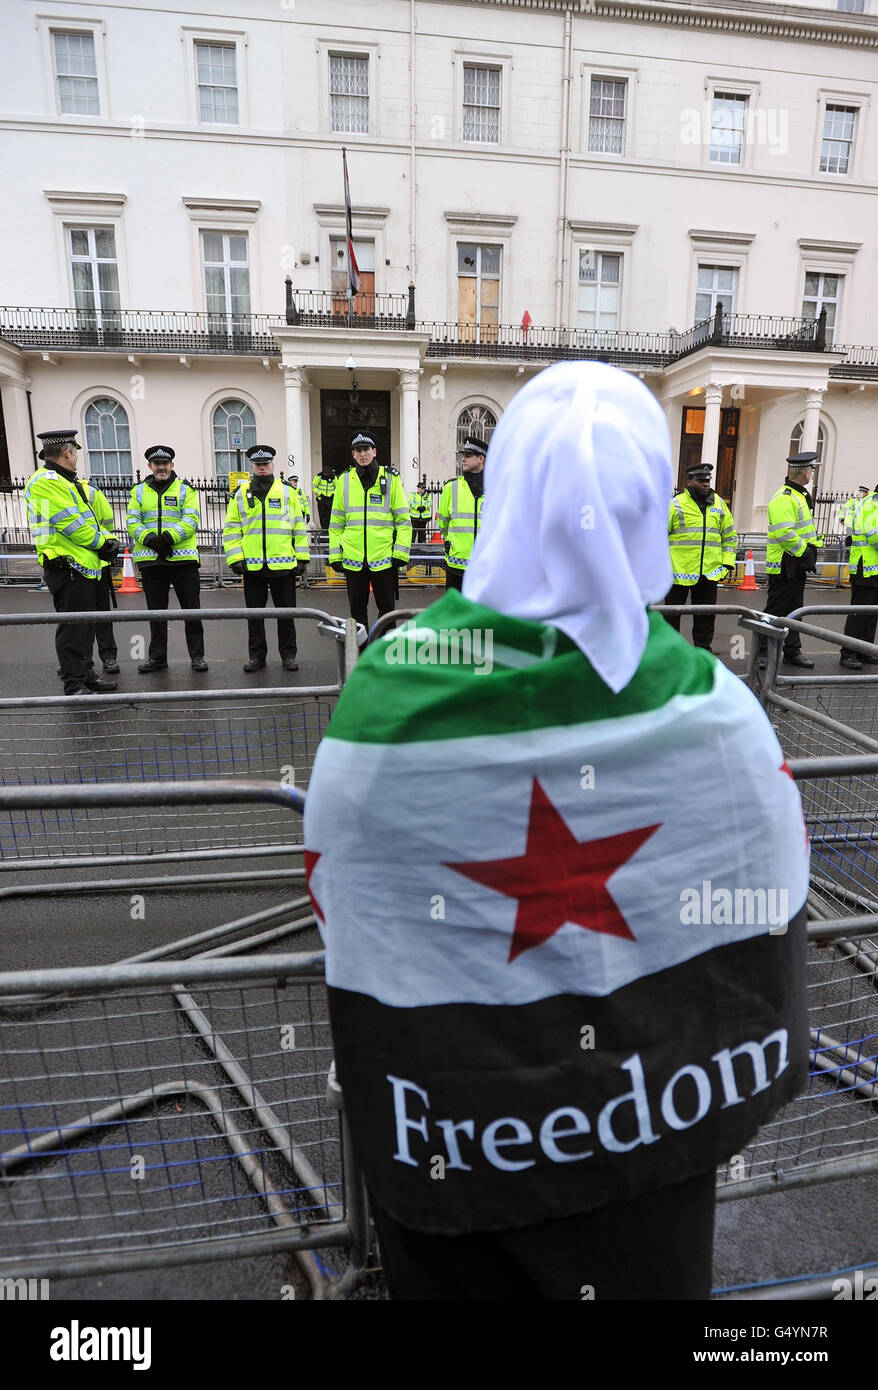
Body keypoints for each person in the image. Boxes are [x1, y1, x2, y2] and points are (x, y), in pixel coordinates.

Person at [304, 362, 809, 1301]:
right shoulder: (717, 708)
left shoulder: (388, 693)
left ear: (505, 497)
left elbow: (340, 884)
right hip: (650, 1130)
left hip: (451, 1130)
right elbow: (771, 889)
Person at [24, 430, 119, 695]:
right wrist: (103, 543)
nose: (76, 457)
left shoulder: (66, 481)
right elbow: (71, 525)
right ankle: (74, 683)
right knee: (73, 629)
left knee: (85, 627)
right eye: (75, 451)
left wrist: (104, 542)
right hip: (66, 565)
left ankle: (86, 675)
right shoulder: (45, 481)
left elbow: (89, 520)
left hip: (82, 565)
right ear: (68, 452)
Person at [222, 444, 309, 672]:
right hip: (252, 567)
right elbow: (231, 529)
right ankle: (257, 657)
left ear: (272, 465)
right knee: (255, 616)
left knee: (286, 615)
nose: (262, 467)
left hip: (283, 566)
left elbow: (298, 527)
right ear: (253, 466)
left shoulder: (288, 492)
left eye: (266, 464)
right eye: (258, 464)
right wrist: (235, 558)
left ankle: (288, 655)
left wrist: (302, 558)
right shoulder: (240, 494)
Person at [127, 446, 207, 673]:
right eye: (156, 463)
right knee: (156, 613)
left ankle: (197, 656)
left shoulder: (186, 490)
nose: (161, 467)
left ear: (172, 465)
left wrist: (168, 538)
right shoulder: (138, 491)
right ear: (150, 466)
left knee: (192, 612)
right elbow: (132, 521)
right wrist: (151, 540)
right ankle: (157, 658)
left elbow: (191, 519)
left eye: (165, 463)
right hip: (152, 561)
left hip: (183, 561)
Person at [328, 432, 411, 631]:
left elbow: (403, 520)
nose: (363, 454)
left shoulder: (390, 479)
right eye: (358, 450)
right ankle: (360, 653)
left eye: (366, 449)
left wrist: (400, 553)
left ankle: (384, 653)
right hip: (353, 559)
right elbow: (336, 523)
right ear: (353, 454)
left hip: (384, 558)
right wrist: (335, 555)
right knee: (357, 611)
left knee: (388, 610)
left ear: (374, 452)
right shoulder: (344, 480)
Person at [664, 462, 737, 652]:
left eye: (707, 480)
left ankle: (703, 652)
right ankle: (672, 652)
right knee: (672, 615)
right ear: (689, 481)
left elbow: (729, 536)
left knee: (705, 616)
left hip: (709, 573)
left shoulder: (719, 504)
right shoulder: (675, 504)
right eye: (700, 480)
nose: (705, 484)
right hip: (677, 572)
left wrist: (727, 564)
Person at [761, 451, 822, 669]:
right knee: (775, 610)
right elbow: (784, 533)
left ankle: (792, 651)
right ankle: (763, 652)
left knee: (795, 610)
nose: (812, 473)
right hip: (784, 565)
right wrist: (805, 552)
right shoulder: (785, 497)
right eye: (811, 469)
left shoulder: (798, 495)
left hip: (794, 565)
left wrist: (809, 551)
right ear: (805, 472)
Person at [437, 437, 486, 592]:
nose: (463, 459)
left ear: (481, 458)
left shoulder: (497, 487)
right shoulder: (451, 487)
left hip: (485, 564)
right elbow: (443, 523)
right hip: (456, 564)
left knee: (481, 614)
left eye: (468, 455)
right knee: (455, 613)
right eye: (463, 455)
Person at [839, 483, 878, 670]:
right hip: (865, 567)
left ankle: (865, 649)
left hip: (872, 567)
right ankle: (849, 652)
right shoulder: (872, 504)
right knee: (859, 612)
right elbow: (874, 535)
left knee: (871, 613)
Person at [312, 464, 337, 530]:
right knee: (322, 515)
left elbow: (337, 487)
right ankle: (324, 529)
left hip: (330, 499)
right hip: (321, 499)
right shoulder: (319, 477)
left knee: (330, 515)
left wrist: (333, 494)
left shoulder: (334, 477)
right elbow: (313, 486)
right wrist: (320, 494)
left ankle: (329, 529)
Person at [409, 481, 432, 546]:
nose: (422, 490)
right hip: (414, 517)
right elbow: (411, 503)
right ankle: (412, 546)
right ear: (418, 488)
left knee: (422, 532)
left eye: (423, 488)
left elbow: (430, 502)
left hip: (423, 517)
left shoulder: (427, 495)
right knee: (414, 532)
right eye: (421, 488)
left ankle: (421, 546)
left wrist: (425, 507)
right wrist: (417, 507)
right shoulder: (413, 495)